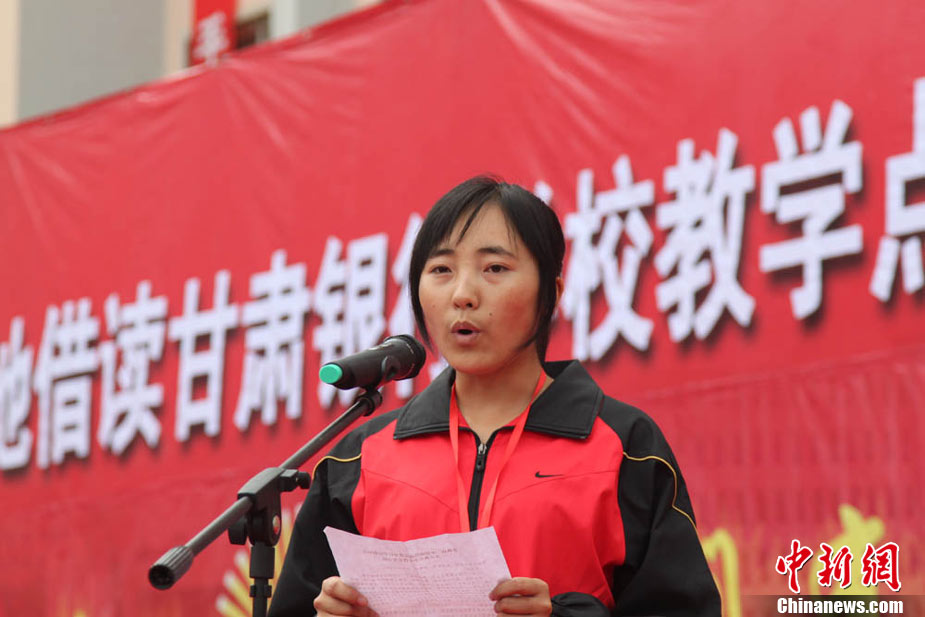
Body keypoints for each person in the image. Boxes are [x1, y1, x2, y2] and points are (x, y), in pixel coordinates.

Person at [268, 176, 721, 617]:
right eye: (441, 270)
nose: (463, 295)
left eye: (495, 269)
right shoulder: (359, 459)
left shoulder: (625, 448)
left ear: (551, 294)